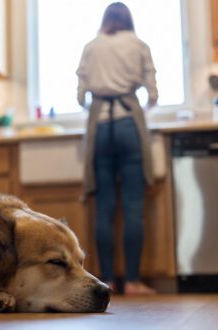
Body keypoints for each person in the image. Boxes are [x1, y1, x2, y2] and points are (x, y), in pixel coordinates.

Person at [76, 2, 157, 295]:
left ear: (106, 20)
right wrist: (143, 106)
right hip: (128, 124)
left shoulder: (92, 46)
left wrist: (91, 101)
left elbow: (81, 95)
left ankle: (107, 281)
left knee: (105, 208)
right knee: (134, 206)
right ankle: (133, 282)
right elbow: (152, 92)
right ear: (128, 20)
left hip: (100, 126)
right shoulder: (139, 44)